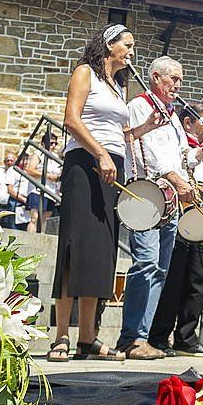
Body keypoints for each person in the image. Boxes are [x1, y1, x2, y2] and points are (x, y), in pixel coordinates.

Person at [48, 25, 165, 363]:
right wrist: (99, 153)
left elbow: (121, 132)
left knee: (101, 252)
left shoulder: (117, 87)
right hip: (84, 162)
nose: (132, 51)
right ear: (109, 44)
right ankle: (61, 336)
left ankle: (87, 338)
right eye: (127, 45)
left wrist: (145, 128)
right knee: (75, 246)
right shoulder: (85, 73)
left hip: (112, 165)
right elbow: (71, 119)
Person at [115, 56, 202, 361]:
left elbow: (180, 157)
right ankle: (131, 338)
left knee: (160, 270)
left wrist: (202, 152)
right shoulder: (140, 105)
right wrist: (177, 179)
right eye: (173, 79)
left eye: (180, 79)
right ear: (155, 78)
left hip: (169, 200)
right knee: (147, 264)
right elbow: (150, 151)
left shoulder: (173, 115)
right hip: (148, 196)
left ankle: (143, 336)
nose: (178, 85)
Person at [148, 101, 203, 357]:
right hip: (183, 215)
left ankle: (186, 337)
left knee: (197, 282)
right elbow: (180, 169)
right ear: (188, 123)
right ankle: (159, 336)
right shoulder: (182, 146)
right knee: (174, 279)